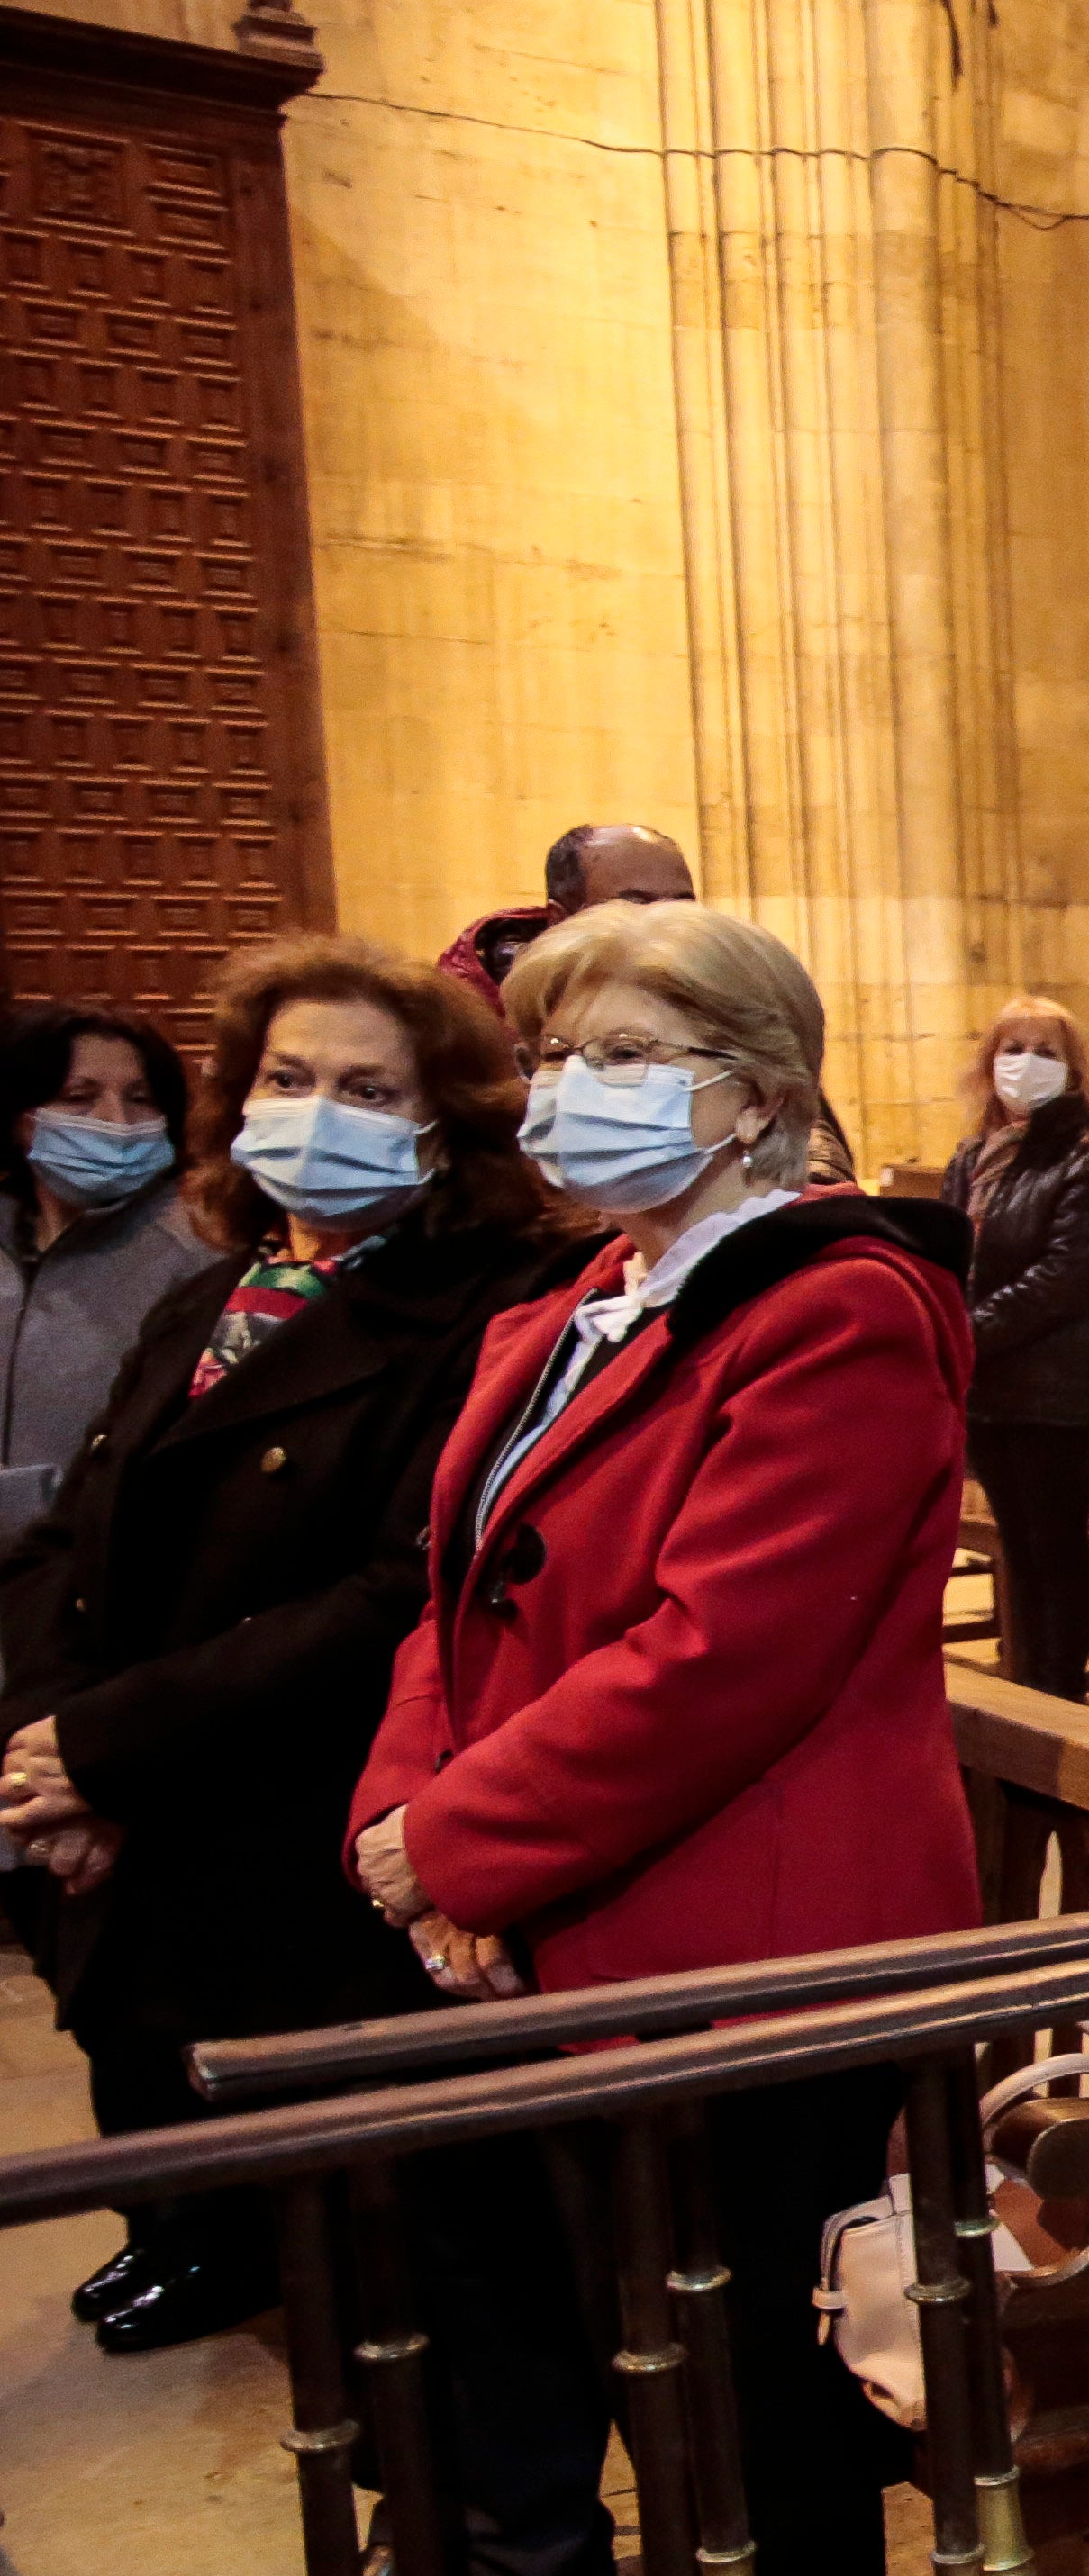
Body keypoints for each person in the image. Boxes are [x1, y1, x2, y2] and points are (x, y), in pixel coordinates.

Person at [354, 898, 982, 2576]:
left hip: (766, 1949)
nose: (569, 1095)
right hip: (583, 1921)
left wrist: (464, 1852)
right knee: (667, 2392)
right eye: (550, 1054)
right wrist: (421, 1828)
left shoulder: (840, 1308)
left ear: (755, 1089)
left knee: (768, 2401)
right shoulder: (568, 1313)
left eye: (620, 1053)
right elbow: (455, 1605)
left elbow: (725, 1653)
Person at [0, 935, 583, 2409]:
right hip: (143, 1797)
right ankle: (205, 2251)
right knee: (194, 2109)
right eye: (289, 1077)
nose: (318, 1111)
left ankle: (432, 2502)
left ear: (443, 1113)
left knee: (387, 2237)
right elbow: (76, 1529)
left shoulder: (483, 1302)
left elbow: (397, 1586)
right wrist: (46, 1748)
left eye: (366, 1086)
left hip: (301, 1811)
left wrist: (111, 1750)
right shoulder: (215, 1293)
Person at [942, 996, 1089, 1694]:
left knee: (1053, 1551)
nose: (1025, 1065)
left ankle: (1061, 1699)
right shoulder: (973, 1157)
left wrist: (968, 1332)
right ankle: (1030, 1694)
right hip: (990, 1385)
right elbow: (948, 1251)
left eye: (1045, 1052)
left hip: (1059, 1387)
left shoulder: (1088, 1162)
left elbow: (1065, 1277)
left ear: (1073, 1071)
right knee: (1018, 1552)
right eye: (1012, 1049)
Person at [0, 1005, 222, 1549]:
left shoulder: (204, 1252)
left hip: (98, 1577)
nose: (116, 1123)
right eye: (79, 1099)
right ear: (18, 1116)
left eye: (140, 1100)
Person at [435, 820, 696, 1013]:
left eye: (681, 904)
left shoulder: (715, 998)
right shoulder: (461, 1026)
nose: (668, 921)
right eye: (635, 904)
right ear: (560, 919)